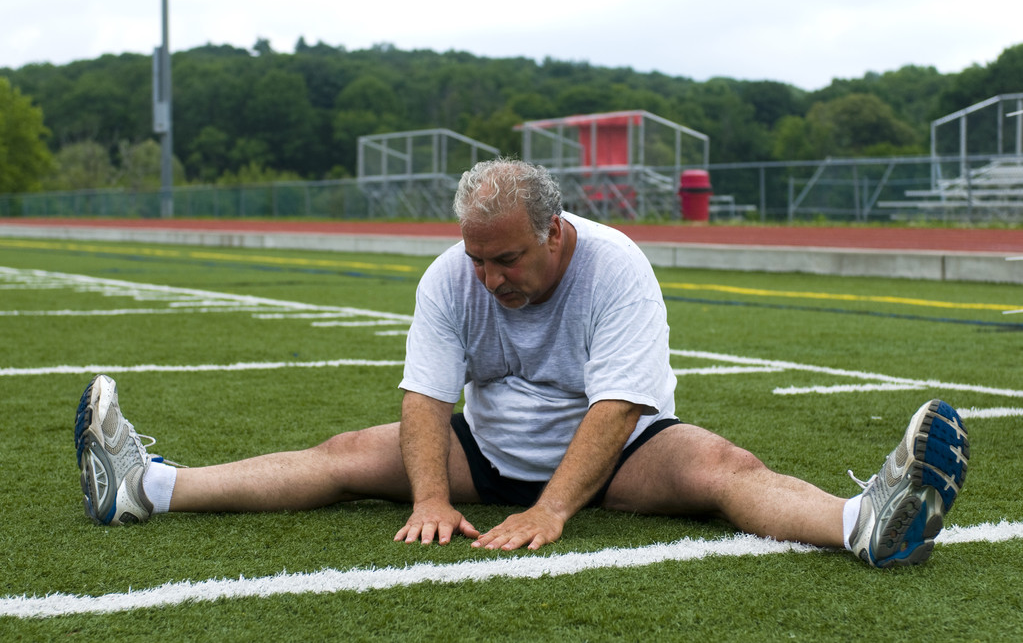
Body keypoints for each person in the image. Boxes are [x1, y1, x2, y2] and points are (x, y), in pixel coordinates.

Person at [74, 158, 970, 566]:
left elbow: (619, 406)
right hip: (488, 445)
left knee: (722, 466)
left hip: (614, 452)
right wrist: (430, 496)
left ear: (555, 231)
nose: (490, 277)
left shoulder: (616, 265)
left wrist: (550, 509)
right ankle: (145, 486)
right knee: (348, 450)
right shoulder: (454, 272)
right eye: (477, 259)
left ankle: (865, 521)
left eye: (507, 259)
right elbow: (424, 396)